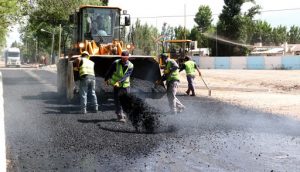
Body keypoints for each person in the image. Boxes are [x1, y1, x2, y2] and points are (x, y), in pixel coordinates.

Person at [105, 51, 134, 122]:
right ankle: (120, 115)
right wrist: (106, 79)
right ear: (121, 57)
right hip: (117, 86)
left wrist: (119, 82)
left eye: (125, 58)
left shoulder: (131, 65)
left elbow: (126, 75)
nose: (124, 59)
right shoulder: (116, 63)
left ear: (128, 57)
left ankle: (123, 113)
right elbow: (110, 71)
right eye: (122, 58)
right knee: (118, 100)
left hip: (125, 85)